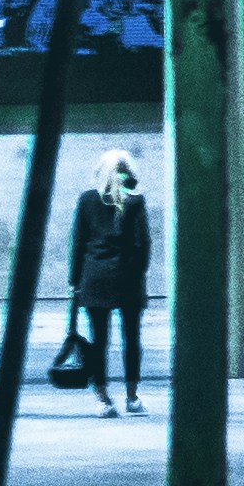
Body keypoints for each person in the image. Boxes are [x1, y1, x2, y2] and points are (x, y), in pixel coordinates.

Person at [65, 151, 153, 418]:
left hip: (95, 278)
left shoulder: (87, 200)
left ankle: (104, 400)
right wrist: (138, 274)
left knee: (98, 340)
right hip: (127, 278)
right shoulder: (135, 202)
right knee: (131, 339)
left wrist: (74, 281)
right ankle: (132, 397)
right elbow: (143, 244)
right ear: (129, 171)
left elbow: (78, 243)